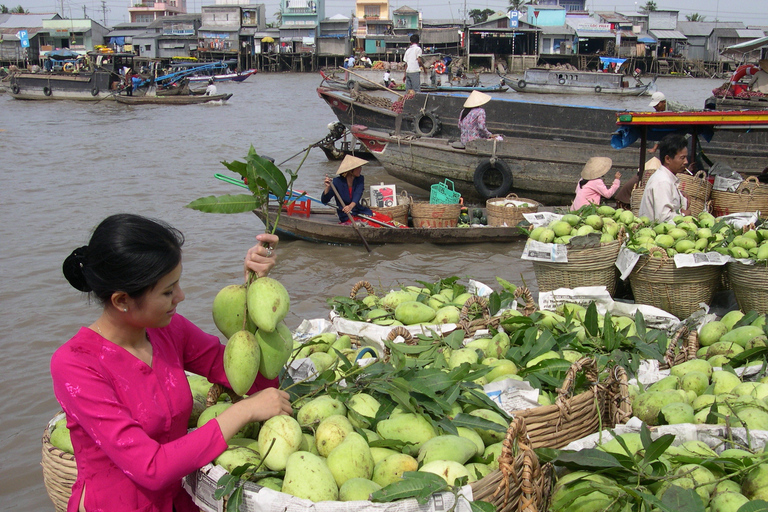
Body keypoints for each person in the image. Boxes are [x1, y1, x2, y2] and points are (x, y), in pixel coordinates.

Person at [51, 214, 292, 512]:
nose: (181, 296)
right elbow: (150, 468)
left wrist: (255, 293)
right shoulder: (76, 365)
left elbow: (255, 381)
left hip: (181, 500)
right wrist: (244, 410)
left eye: (177, 284)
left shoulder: (170, 330)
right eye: (167, 292)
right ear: (122, 300)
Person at [639, 133, 691, 222]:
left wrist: (683, 199)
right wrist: (684, 214)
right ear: (667, 159)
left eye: (686, 157)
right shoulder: (662, 182)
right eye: (682, 158)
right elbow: (664, 218)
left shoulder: (667, 179)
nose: (686, 162)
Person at [321, 155, 376, 224]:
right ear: (350, 170)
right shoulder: (337, 182)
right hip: (346, 215)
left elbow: (358, 193)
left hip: (358, 211)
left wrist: (350, 206)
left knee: (383, 220)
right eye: (358, 167)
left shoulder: (360, 179)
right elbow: (324, 200)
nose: (360, 169)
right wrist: (327, 187)